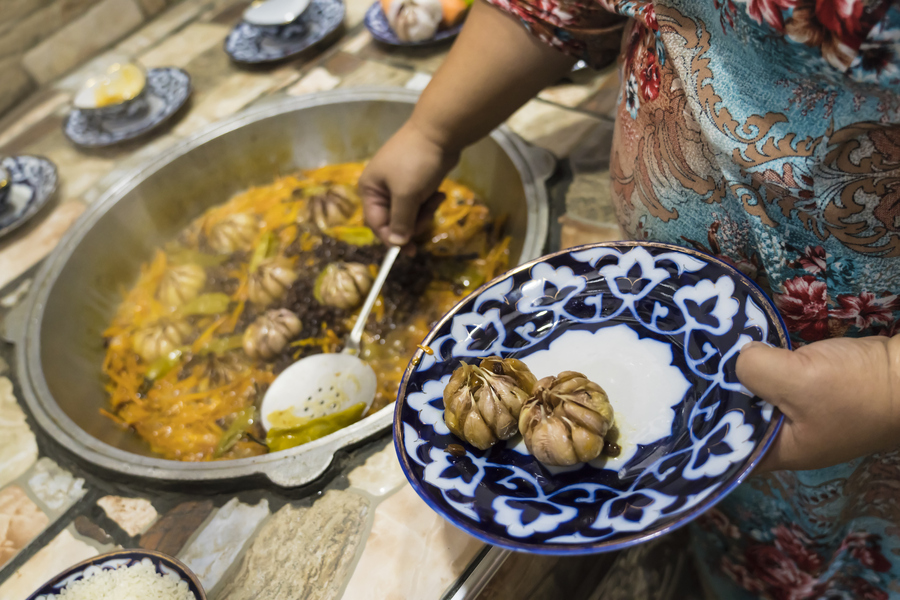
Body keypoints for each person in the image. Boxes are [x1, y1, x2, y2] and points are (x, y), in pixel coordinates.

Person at [358, 0, 900, 596]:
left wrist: (887, 383)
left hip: (869, 421)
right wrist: (434, 129)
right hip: (687, 372)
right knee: (738, 537)